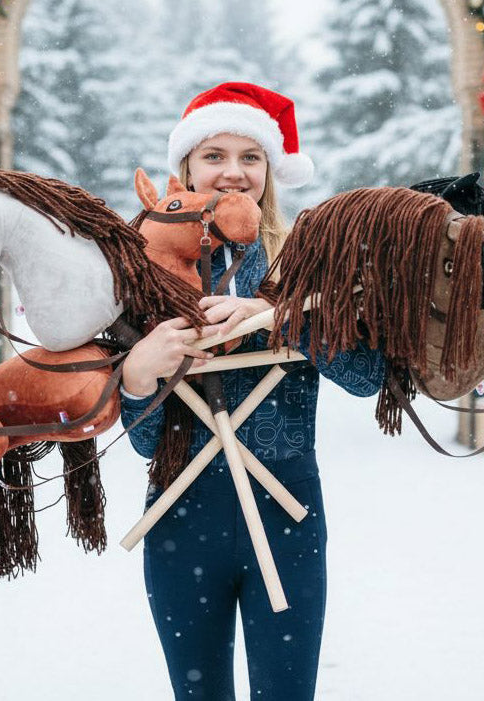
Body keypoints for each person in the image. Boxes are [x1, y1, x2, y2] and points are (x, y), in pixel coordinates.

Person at [120, 82, 385, 700]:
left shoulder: (308, 263)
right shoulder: (145, 271)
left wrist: (278, 315)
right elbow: (144, 443)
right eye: (214, 156)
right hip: (179, 517)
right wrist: (136, 374)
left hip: (287, 513)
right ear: (184, 168)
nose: (233, 173)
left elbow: (365, 376)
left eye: (251, 157)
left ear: (271, 170)